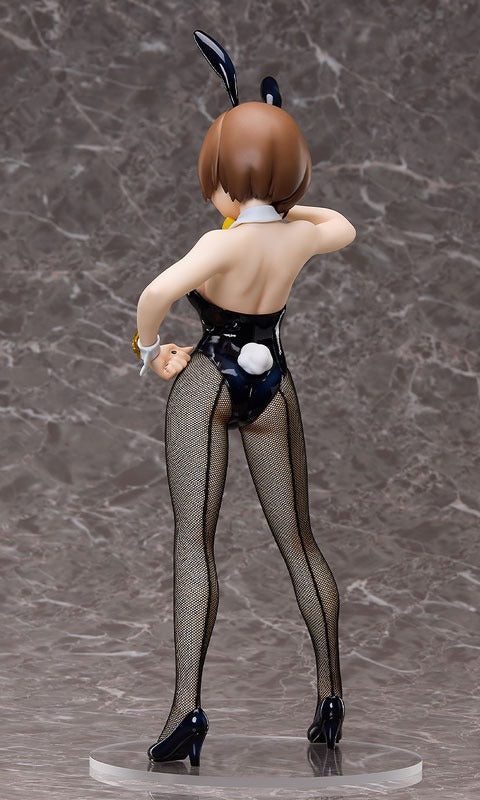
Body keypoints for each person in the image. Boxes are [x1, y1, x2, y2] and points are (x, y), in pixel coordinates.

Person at [132, 31, 356, 767]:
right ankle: (330, 697)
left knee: (193, 544)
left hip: (209, 383)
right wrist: (283, 200)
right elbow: (341, 225)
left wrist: (150, 351)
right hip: (273, 386)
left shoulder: (218, 244)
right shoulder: (298, 239)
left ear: (224, 177)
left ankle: (186, 709)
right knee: (300, 543)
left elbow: (155, 295)